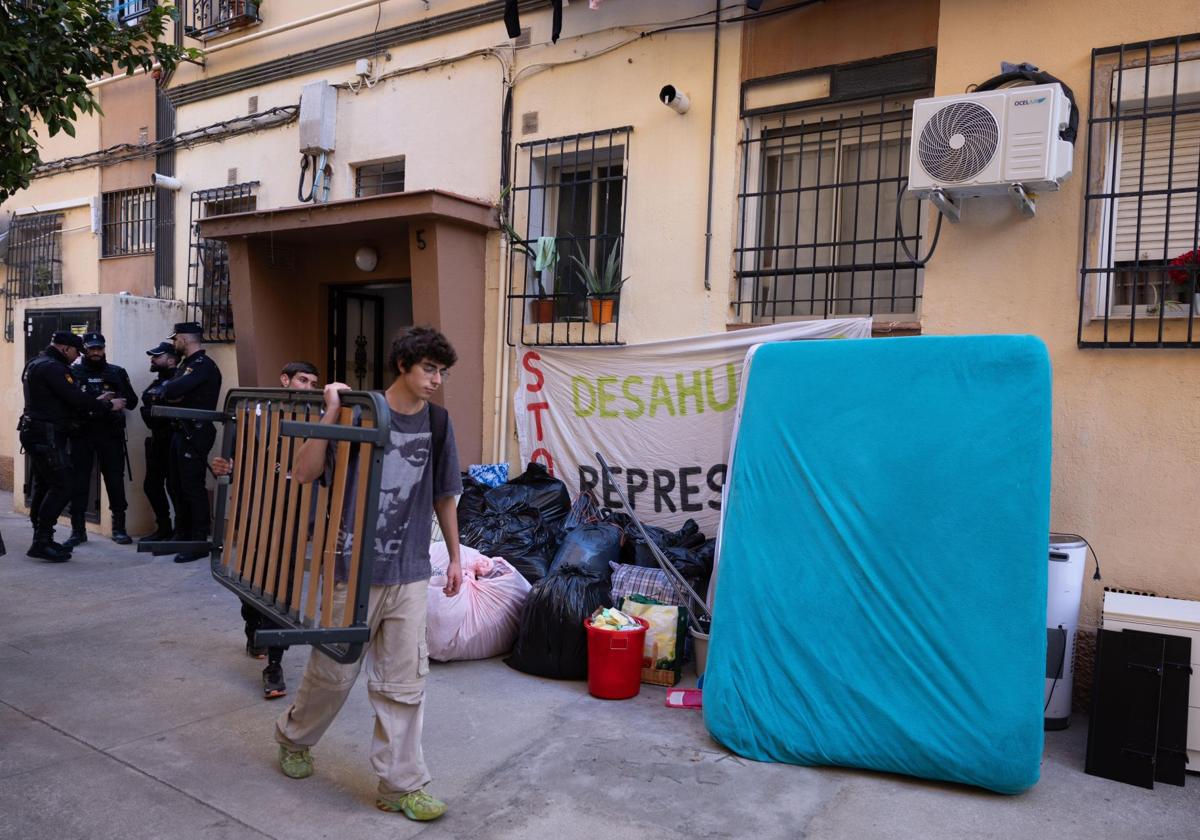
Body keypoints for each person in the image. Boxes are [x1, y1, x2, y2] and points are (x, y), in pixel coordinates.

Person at [274, 327, 463, 823]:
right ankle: (294, 737)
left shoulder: (438, 424)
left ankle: (402, 785)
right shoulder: (361, 411)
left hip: (410, 570)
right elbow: (305, 472)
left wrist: (457, 557)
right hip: (351, 566)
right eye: (429, 368)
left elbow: (446, 494)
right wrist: (331, 414)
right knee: (333, 673)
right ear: (403, 365)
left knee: (405, 682)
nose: (436, 380)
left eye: (441, 371)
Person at [211, 360, 321, 700]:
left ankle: (274, 665)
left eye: (314, 382)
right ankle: (252, 627)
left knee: (283, 589)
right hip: (253, 512)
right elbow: (227, 456)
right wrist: (221, 465)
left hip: (293, 514)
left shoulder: (317, 419)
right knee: (250, 580)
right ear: (284, 379)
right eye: (303, 380)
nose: (309, 387)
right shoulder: (253, 414)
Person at [20, 332, 122, 561]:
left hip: (36, 431)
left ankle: (42, 537)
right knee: (63, 485)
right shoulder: (54, 367)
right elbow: (73, 398)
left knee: (46, 484)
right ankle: (42, 540)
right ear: (66, 348)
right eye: (76, 352)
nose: (77, 358)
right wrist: (106, 405)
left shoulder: (35, 363)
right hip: (46, 433)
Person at [63, 333, 138, 548]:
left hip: (110, 434)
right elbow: (67, 403)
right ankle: (78, 530)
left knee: (115, 480)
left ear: (104, 349)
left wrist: (118, 395)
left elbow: (132, 402)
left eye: (99, 348)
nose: (96, 352)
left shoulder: (116, 372)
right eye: (91, 348)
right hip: (83, 433)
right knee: (79, 481)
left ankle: (119, 528)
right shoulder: (74, 372)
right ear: (85, 349)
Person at [158, 322, 222, 564]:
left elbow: (173, 389)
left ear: (185, 338)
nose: (174, 344)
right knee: (175, 484)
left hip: (195, 430)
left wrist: (172, 391)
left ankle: (198, 540)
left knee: (192, 486)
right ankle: (182, 533)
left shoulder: (202, 366)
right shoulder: (186, 365)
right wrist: (171, 391)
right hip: (180, 430)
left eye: (176, 339)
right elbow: (167, 391)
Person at [139, 341, 180, 543]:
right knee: (152, 485)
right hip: (157, 439)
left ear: (171, 360)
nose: (153, 359)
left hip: (172, 439)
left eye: (157, 356)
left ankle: (179, 530)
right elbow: (147, 402)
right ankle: (164, 528)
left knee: (174, 486)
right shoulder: (158, 381)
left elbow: (158, 406)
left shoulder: (178, 380)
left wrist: (151, 409)